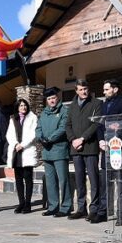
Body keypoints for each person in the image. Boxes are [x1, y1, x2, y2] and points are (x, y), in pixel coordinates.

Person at [66, 79, 103, 221]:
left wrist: (82, 139)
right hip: (76, 148)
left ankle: (94, 209)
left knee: (94, 179)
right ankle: (81, 208)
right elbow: (67, 125)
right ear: (76, 90)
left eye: (85, 89)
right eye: (81, 89)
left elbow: (96, 124)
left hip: (90, 147)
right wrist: (73, 140)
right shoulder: (72, 105)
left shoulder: (97, 103)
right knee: (79, 180)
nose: (84, 92)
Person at [98, 79, 122, 224]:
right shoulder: (103, 105)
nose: (104, 92)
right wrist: (101, 140)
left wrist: (118, 132)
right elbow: (100, 124)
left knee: (121, 182)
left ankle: (121, 214)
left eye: (106, 89)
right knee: (106, 182)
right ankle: (104, 211)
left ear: (115, 89)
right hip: (106, 148)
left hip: (119, 147)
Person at [36, 87, 71, 217]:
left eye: (53, 98)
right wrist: (40, 138)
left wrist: (50, 139)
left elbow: (63, 128)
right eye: (49, 99)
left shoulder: (64, 111)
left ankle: (66, 206)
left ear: (58, 98)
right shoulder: (44, 113)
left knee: (63, 180)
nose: (51, 100)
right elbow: (38, 128)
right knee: (50, 181)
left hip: (59, 150)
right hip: (47, 151)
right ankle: (53, 206)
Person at [6, 98, 39, 213]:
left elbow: (33, 134)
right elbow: (9, 134)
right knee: (18, 180)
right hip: (16, 152)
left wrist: (23, 145)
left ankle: (28, 204)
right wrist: (15, 144)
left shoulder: (32, 117)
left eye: (25, 105)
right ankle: (21, 203)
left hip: (27, 150)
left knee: (28, 179)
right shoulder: (13, 118)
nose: (23, 107)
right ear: (17, 107)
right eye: (20, 106)